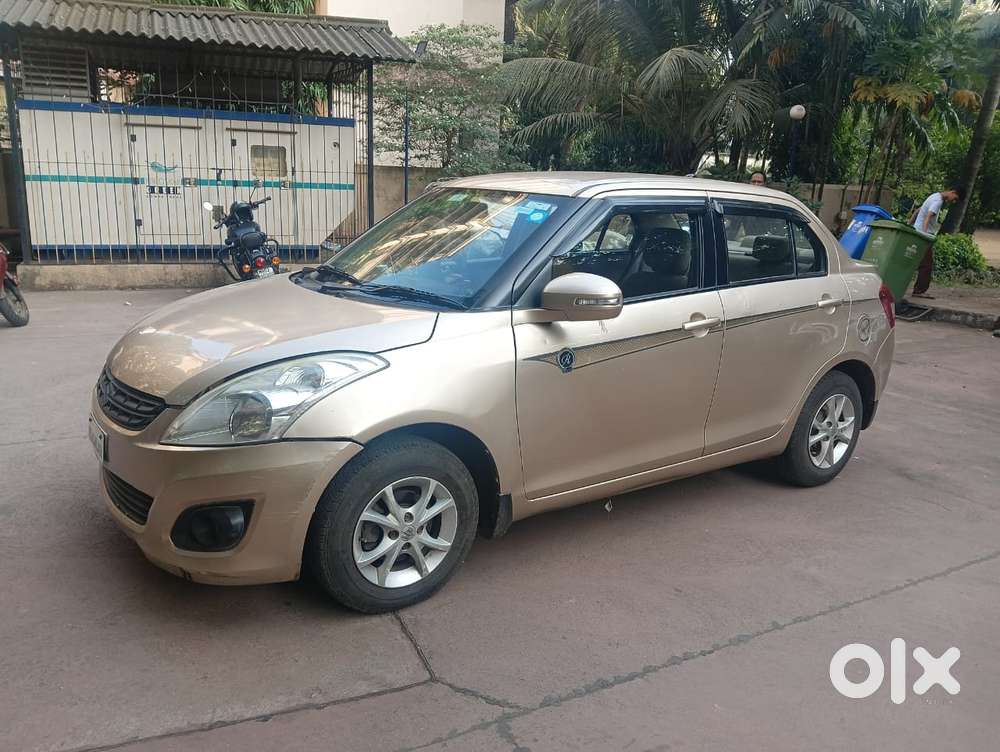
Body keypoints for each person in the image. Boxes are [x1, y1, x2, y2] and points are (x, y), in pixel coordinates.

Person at [910, 188, 962, 299]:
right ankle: (919, 291)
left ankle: (916, 289)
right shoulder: (938, 201)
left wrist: (909, 223)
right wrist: (924, 236)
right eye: (955, 199)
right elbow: (928, 217)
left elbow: (919, 210)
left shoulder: (933, 196)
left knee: (915, 261)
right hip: (923, 235)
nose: (953, 201)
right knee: (927, 265)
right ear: (953, 192)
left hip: (917, 231)